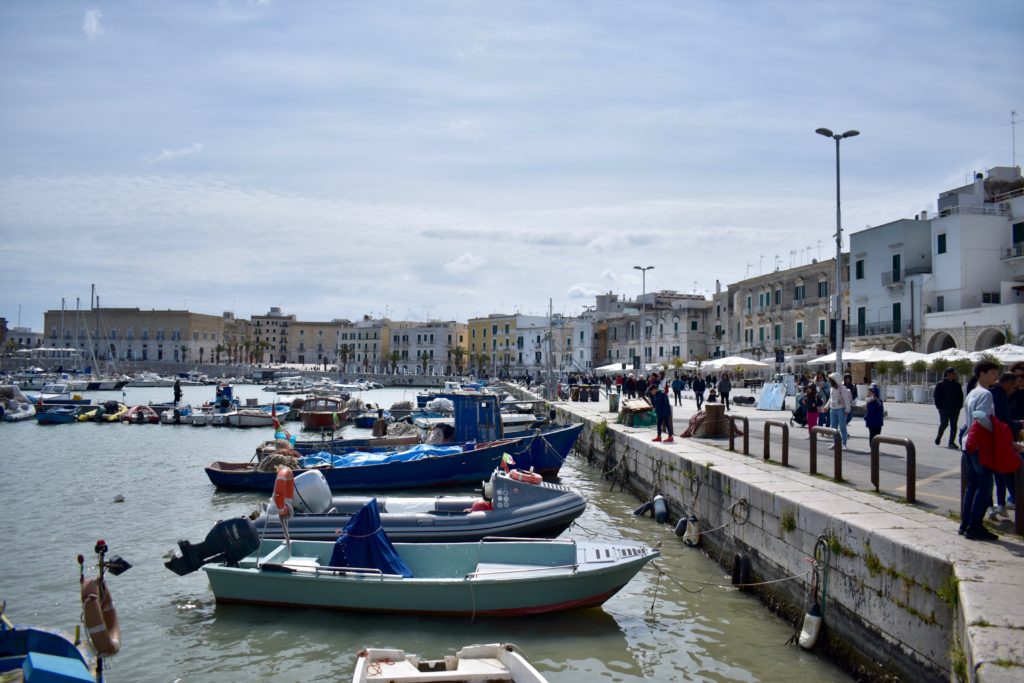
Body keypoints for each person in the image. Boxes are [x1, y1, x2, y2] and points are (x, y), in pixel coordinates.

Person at [960, 361, 1002, 541]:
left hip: (967, 443)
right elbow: (981, 416)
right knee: (985, 486)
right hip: (979, 445)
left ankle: (965, 523)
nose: (995, 377)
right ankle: (975, 525)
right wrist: (997, 428)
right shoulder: (986, 394)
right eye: (993, 373)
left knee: (972, 485)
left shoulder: (972, 393)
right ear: (982, 374)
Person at [988, 372, 1020, 519]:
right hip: (999, 442)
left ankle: (995, 506)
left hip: (994, 441)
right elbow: (1004, 421)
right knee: (1003, 475)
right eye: (1014, 386)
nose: (1014, 389)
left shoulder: (990, 392)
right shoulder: (999, 395)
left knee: (995, 476)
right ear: (1007, 383)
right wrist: (1018, 424)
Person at [933, 368, 964, 449]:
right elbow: (936, 396)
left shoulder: (957, 385)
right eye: (953, 373)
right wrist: (938, 406)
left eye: (954, 373)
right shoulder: (941, 384)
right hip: (944, 408)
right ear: (948, 374)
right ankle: (939, 436)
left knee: (954, 425)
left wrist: (959, 406)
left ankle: (951, 442)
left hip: (955, 409)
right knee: (944, 423)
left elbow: (960, 396)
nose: (954, 375)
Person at [823, 372, 852, 448]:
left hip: (841, 409)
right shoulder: (832, 388)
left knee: (842, 427)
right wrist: (826, 407)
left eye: (831, 380)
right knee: (833, 427)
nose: (830, 381)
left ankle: (844, 443)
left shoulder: (842, 388)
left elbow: (846, 399)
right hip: (833, 409)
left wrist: (847, 410)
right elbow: (830, 399)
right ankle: (835, 443)